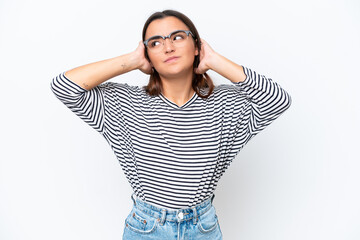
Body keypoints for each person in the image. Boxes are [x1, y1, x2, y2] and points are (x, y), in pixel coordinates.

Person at [50, 9, 291, 240]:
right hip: (146, 230)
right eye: (155, 43)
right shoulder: (123, 103)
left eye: (177, 37)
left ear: (196, 46)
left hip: (203, 229)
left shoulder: (227, 104)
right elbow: (64, 86)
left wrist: (214, 60)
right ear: (148, 56)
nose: (168, 47)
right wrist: (132, 60)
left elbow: (278, 100)